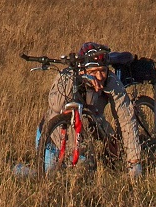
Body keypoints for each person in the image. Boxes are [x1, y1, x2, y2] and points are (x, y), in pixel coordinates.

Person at [39, 41, 143, 177]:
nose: (100, 77)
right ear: (82, 70)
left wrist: (134, 163)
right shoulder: (67, 77)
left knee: (88, 168)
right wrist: (78, 79)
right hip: (53, 135)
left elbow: (126, 118)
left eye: (103, 71)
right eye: (94, 72)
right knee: (50, 173)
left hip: (88, 126)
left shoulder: (111, 81)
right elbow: (57, 105)